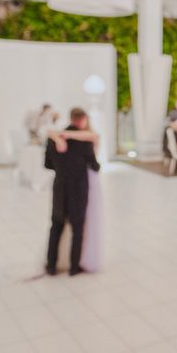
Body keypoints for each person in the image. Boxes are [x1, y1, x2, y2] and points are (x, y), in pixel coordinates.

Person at [44, 108, 100, 276]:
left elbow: (47, 164)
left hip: (60, 187)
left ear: (70, 118)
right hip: (78, 189)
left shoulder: (55, 138)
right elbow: (94, 165)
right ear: (83, 119)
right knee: (77, 229)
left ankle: (51, 266)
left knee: (56, 227)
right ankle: (74, 267)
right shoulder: (85, 139)